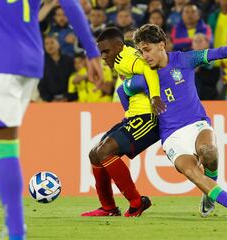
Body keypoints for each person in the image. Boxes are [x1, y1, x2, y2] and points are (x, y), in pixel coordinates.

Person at [0, 1, 104, 239]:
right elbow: (69, 3)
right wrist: (91, 51)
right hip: (31, 59)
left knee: (3, 139)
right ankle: (12, 222)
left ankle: (16, 231)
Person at [123, 24, 227, 219]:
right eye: (140, 52)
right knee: (192, 172)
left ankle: (210, 195)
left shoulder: (183, 60)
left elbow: (215, 53)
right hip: (171, 136)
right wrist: (129, 114)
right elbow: (123, 90)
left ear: (162, 45)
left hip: (196, 124)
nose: (144, 56)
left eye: (147, 50)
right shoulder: (144, 77)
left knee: (209, 152)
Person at [81, 27, 166, 217]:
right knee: (95, 155)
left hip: (148, 117)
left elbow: (149, 69)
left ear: (119, 46)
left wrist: (154, 96)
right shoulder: (122, 60)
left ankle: (137, 202)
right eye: (100, 52)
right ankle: (108, 208)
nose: (103, 56)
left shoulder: (128, 58)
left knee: (104, 151)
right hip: (134, 117)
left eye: (106, 51)